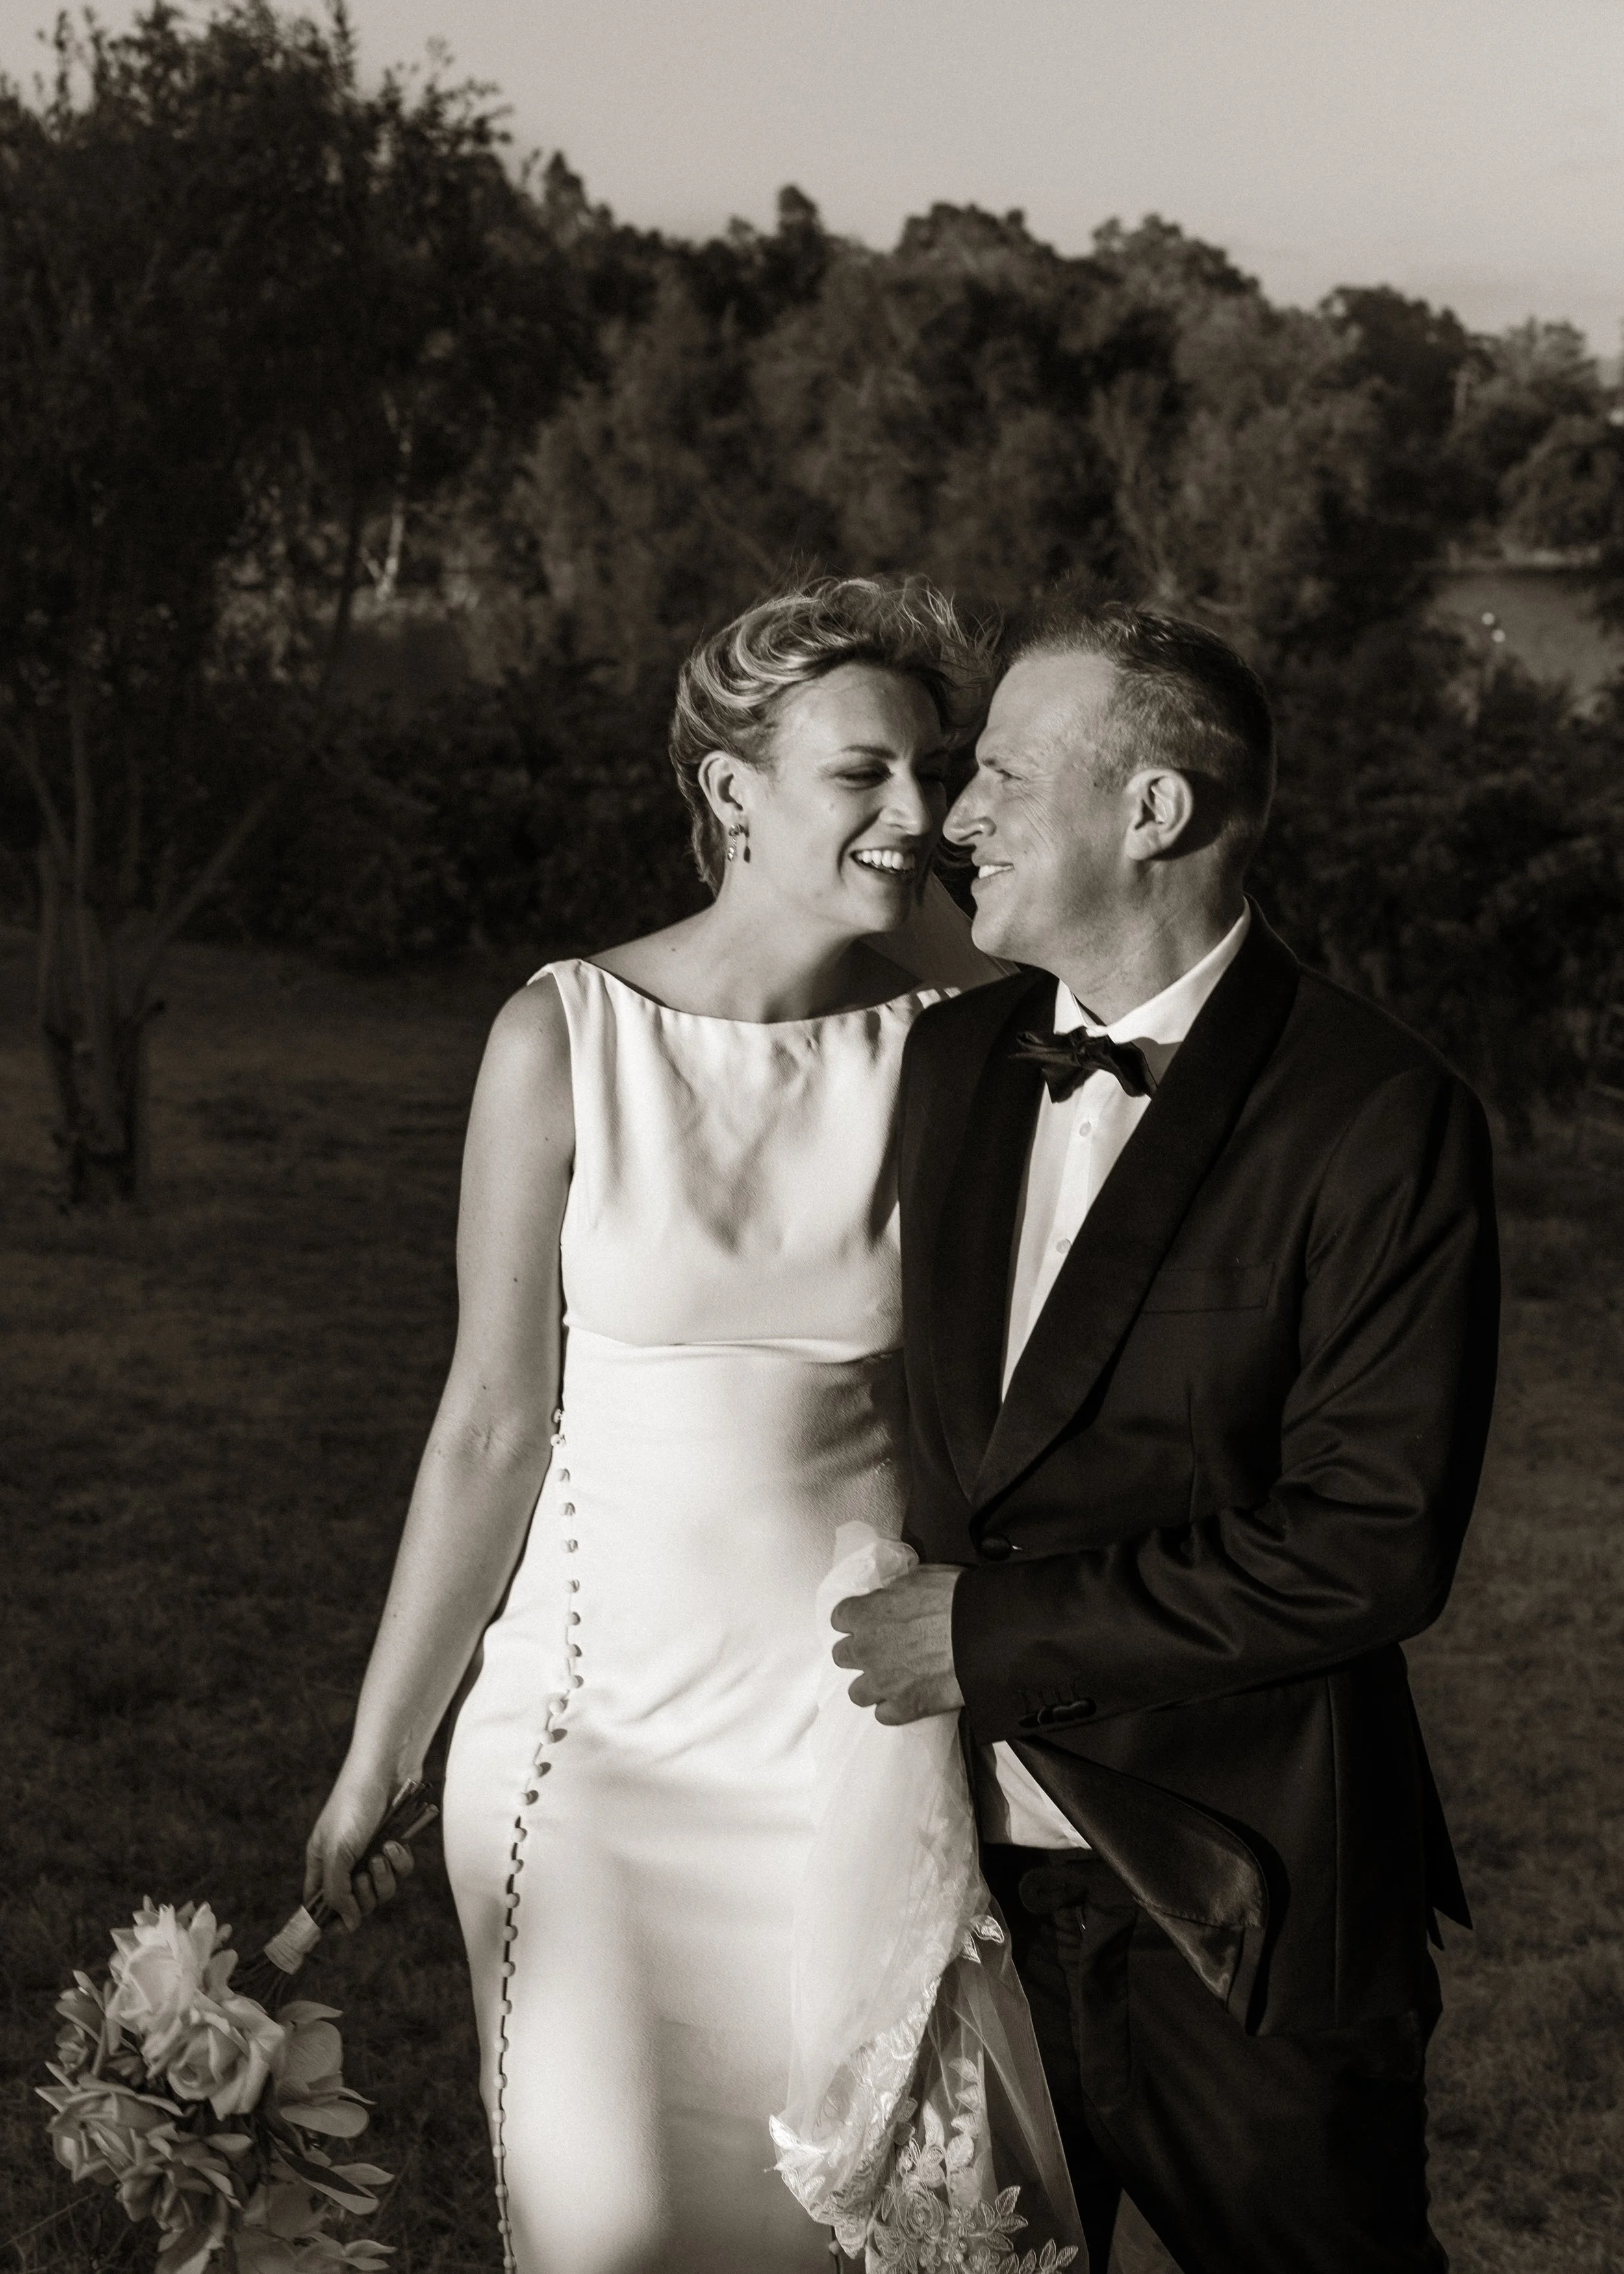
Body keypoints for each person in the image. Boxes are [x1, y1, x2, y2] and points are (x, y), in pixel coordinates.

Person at [302, 576, 1003, 2274]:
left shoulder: (951, 1046)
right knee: (605, 2226)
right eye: (861, 773)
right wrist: (381, 1755)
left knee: (847, 2228)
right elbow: (489, 1425)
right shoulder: (564, 1036)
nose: (915, 812)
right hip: (595, 1761)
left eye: (931, 771)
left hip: (851, 1756)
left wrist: (911, 908)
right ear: (729, 790)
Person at [833, 601, 1501, 2273]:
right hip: (955, 1889)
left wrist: (988, 1632)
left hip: (1233, 1897)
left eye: (1001, 773)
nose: (954, 817)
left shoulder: (1376, 1110)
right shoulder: (955, 1057)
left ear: (1152, 811)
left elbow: (1370, 1541)